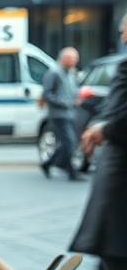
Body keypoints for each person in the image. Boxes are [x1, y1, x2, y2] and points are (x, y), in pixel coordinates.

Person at [68, 14, 127, 270]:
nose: (120, 31)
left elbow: (118, 116)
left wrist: (104, 127)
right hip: (117, 210)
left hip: (118, 205)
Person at [40, 46, 81, 181]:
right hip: (58, 114)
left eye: (75, 58)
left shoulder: (72, 73)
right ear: (63, 58)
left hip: (70, 113)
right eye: (71, 58)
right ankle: (71, 171)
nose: (73, 61)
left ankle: (49, 164)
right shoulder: (54, 73)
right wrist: (64, 103)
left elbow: (73, 91)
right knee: (69, 142)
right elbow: (47, 94)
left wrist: (77, 99)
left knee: (66, 143)